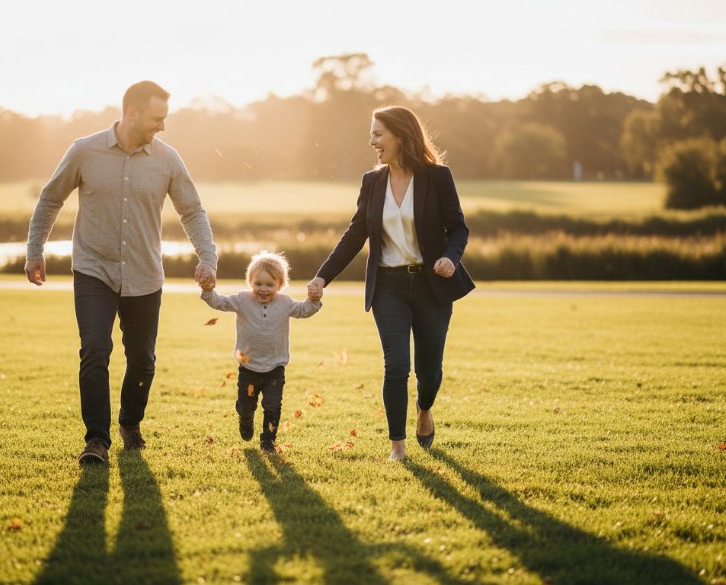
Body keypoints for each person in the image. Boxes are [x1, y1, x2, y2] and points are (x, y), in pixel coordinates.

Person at [25, 81, 218, 465]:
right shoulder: (84, 151)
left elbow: (192, 211)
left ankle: (130, 422)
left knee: (143, 360)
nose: (161, 126)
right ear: (132, 113)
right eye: (156, 118)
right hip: (93, 269)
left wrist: (208, 257)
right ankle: (96, 439)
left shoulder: (168, 160)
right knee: (95, 349)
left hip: (145, 274)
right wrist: (36, 251)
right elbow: (51, 198)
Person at [307, 106, 474, 462]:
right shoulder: (373, 182)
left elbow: (458, 228)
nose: (372, 141)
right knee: (396, 365)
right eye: (372, 134)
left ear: (401, 135)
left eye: (378, 134)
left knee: (429, 372)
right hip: (389, 287)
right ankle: (397, 446)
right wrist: (323, 276)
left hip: (432, 287)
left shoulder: (437, 177)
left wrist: (450, 256)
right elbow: (355, 234)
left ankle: (424, 409)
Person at [200, 251, 321, 453]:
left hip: (275, 367)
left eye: (269, 285)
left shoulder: (285, 303)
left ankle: (268, 441)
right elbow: (219, 302)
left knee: (273, 407)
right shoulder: (242, 300)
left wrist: (313, 300)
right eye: (258, 284)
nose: (263, 289)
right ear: (250, 282)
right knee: (247, 406)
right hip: (248, 367)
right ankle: (244, 417)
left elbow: (303, 310)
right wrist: (207, 290)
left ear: (280, 285)